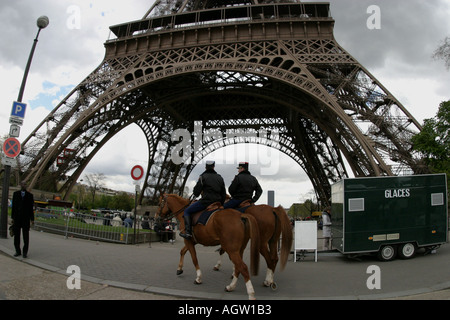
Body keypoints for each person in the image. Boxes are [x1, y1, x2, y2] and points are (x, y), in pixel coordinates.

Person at [180, 160, 226, 239]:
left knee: (187, 211)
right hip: (217, 203)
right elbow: (223, 193)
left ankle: (188, 233)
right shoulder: (220, 177)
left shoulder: (202, 177)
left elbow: (196, 192)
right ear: (213, 167)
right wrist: (221, 204)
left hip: (206, 202)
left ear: (205, 167)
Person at [11, 182, 35, 258]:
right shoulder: (16, 194)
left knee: (26, 236)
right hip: (17, 218)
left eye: (25, 184)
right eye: (23, 184)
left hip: (25, 219)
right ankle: (17, 251)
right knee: (16, 236)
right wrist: (13, 218)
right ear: (20, 185)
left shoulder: (30, 196)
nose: (24, 186)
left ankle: (25, 252)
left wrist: (32, 219)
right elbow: (13, 207)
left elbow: (31, 208)